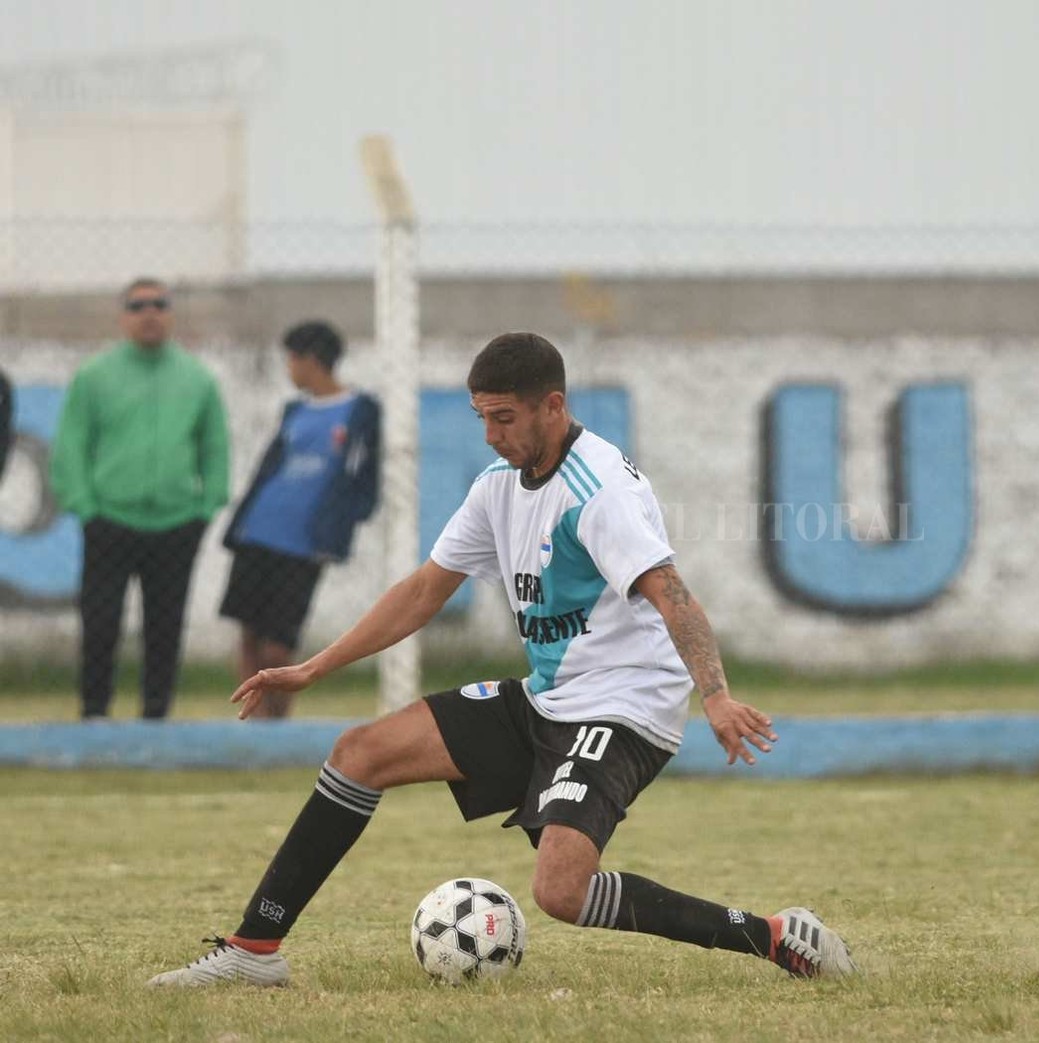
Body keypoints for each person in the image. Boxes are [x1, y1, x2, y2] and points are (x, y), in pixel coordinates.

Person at [149, 332, 858, 987]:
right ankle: (253, 951)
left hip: (621, 707)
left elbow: (672, 593)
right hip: (546, 697)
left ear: (552, 405)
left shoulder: (600, 490)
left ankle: (770, 936)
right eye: (481, 417)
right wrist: (313, 668)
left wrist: (715, 696)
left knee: (560, 892)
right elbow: (425, 589)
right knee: (359, 750)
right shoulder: (496, 484)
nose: (491, 434)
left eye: (504, 418)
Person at [49, 277, 230, 720]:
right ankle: (94, 713)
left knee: (164, 625)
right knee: (100, 621)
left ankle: (155, 715)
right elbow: (71, 445)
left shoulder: (197, 379)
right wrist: (85, 508)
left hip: (176, 523)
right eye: (138, 305)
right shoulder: (94, 376)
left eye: (159, 304)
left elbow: (215, 447)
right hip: (109, 519)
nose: (149, 313)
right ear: (123, 316)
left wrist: (205, 509)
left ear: (170, 313)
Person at [220, 322, 381, 719]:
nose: (288, 369)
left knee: (280, 644)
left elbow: (365, 476)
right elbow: (270, 467)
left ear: (310, 360)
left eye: (291, 359)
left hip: (306, 542)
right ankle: (252, 724)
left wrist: (345, 522)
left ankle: (278, 723)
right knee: (249, 632)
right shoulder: (294, 410)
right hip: (259, 531)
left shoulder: (360, 410)